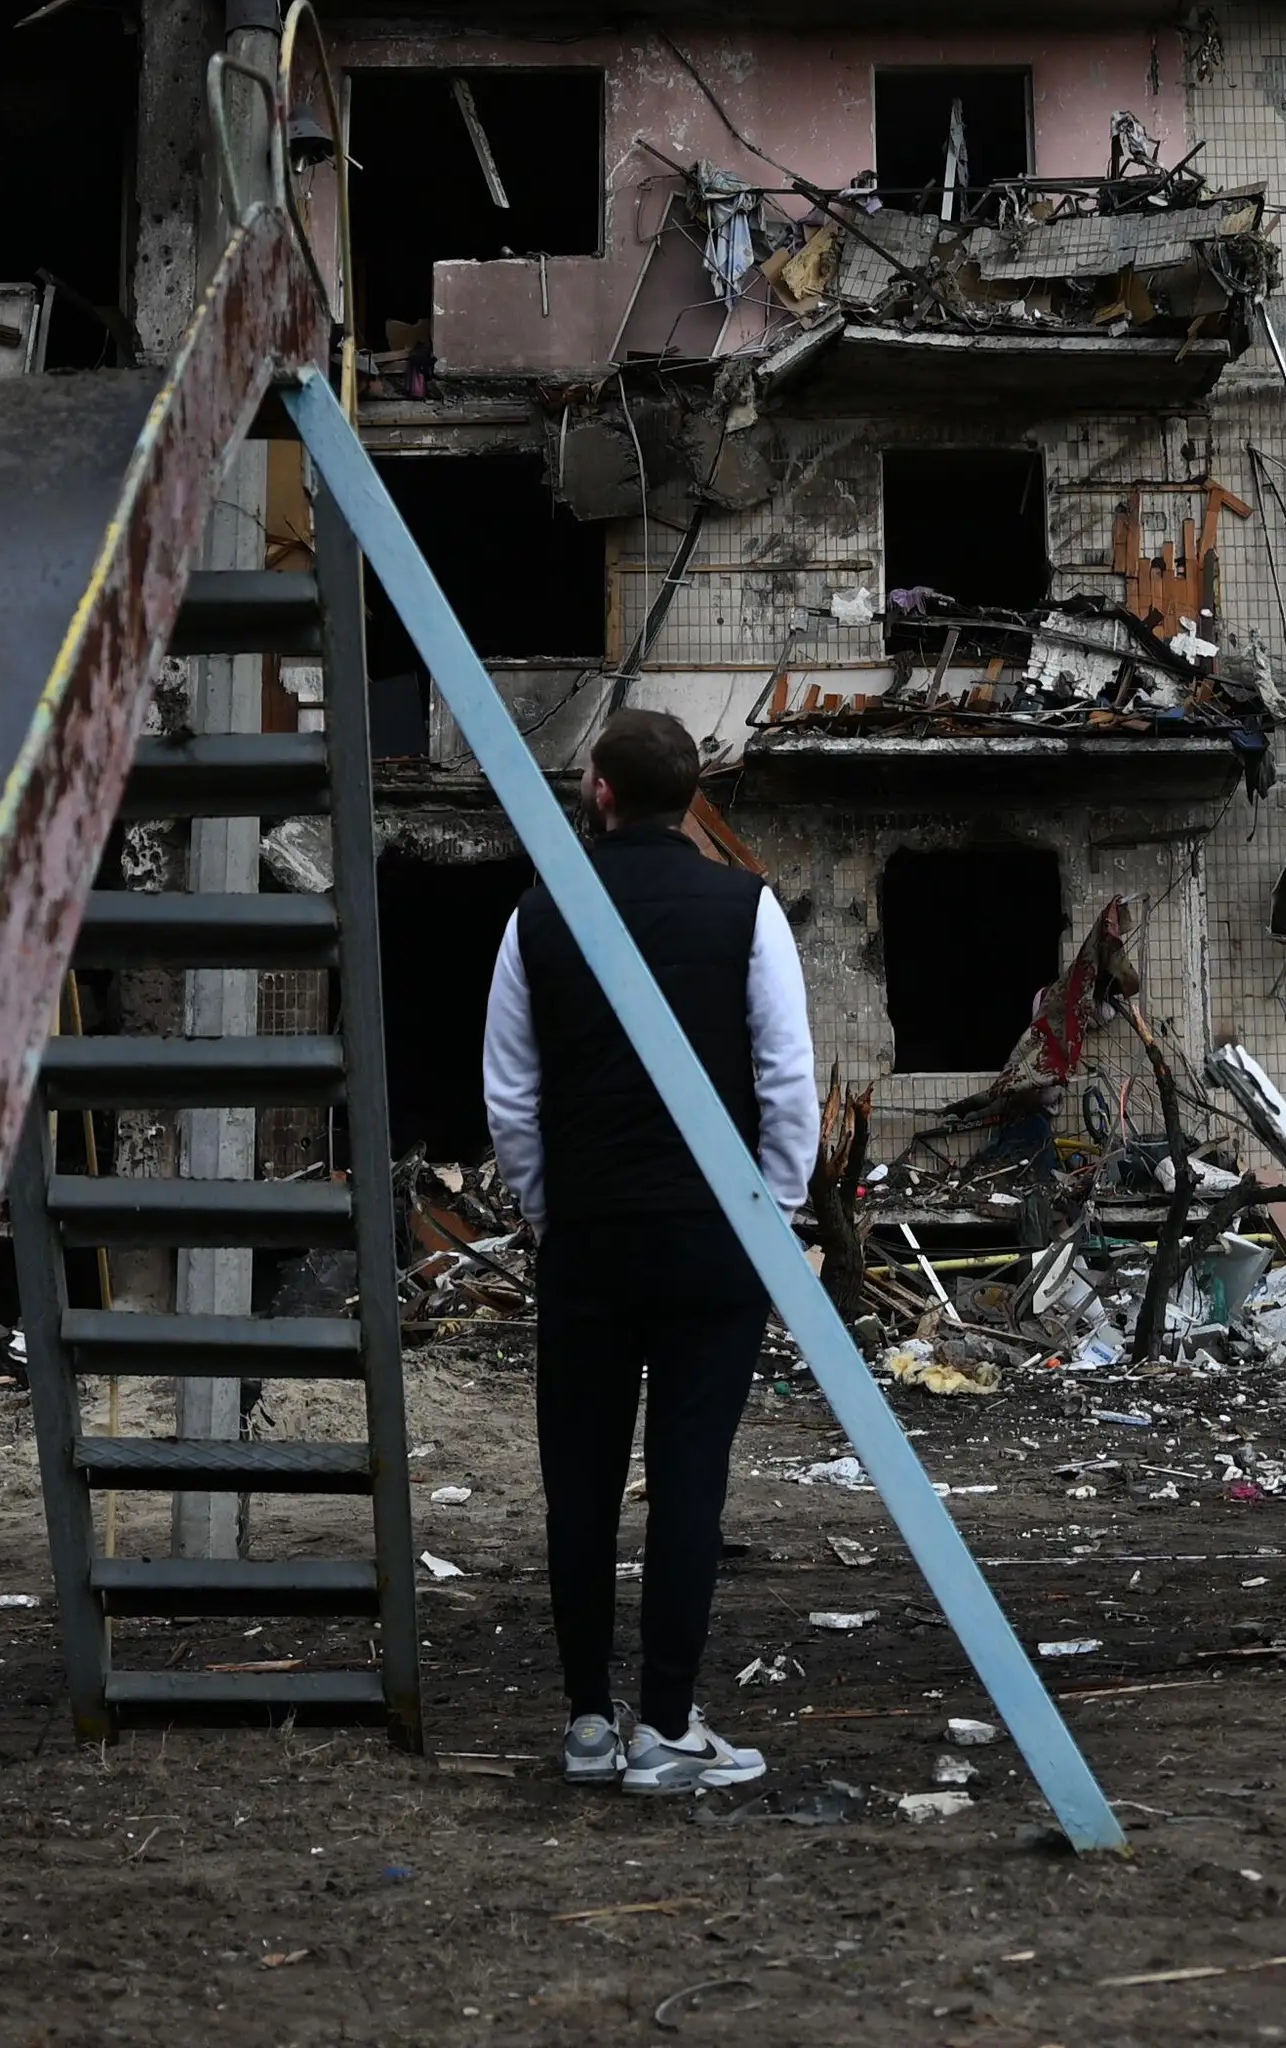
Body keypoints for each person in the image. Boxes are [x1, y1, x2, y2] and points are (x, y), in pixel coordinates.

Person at [482, 708, 818, 1794]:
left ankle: (587, 1721)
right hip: (711, 1250)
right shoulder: (748, 908)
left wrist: (551, 1214)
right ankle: (666, 1727)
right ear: (692, 798)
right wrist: (767, 1212)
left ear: (599, 791)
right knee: (688, 1483)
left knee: (576, 1486)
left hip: (589, 1243)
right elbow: (787, 1083)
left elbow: (511, 1097)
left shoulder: (539, 916)